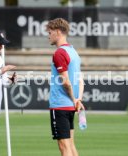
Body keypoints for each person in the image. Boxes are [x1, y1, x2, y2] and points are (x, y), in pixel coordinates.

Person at [46, 18, 85, 156]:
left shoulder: (59, 53)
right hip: (70, 106)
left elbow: (66, 82)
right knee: (71, 146)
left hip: (60, 105)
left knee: (64, 148)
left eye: (50, 32)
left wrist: (74, 98)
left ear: (57, 32)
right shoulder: (73, 52)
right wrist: (78, 99)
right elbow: (81, 81)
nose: (48, 35)